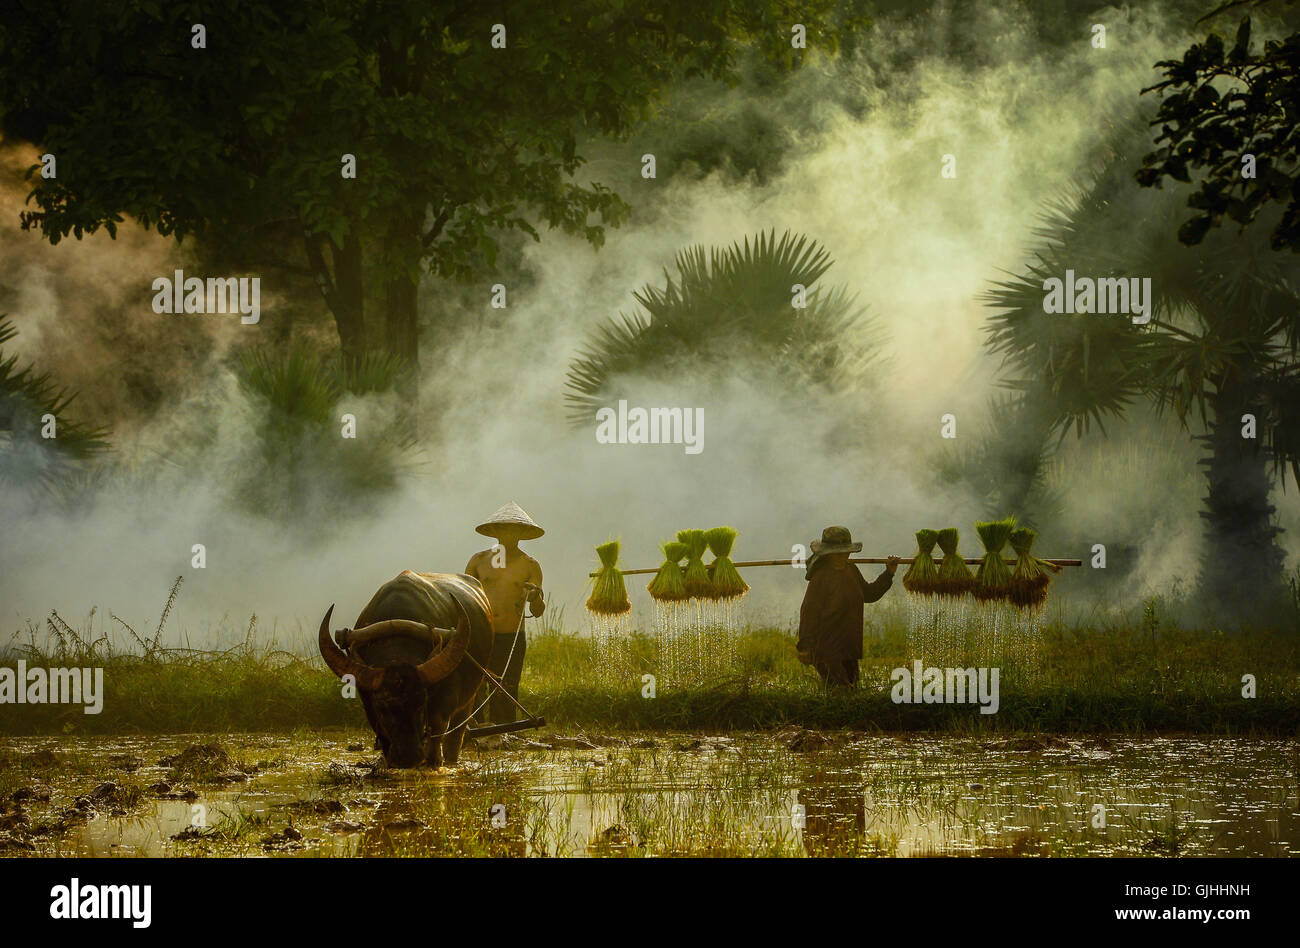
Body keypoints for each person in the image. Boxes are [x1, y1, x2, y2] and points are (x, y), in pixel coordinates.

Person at [464, 501, 545, 725]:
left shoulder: (530, 565)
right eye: (504, 528)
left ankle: (505, 733)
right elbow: (466, 598)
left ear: (522, 533)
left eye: (514, 529)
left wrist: (534, 595)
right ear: (496, 532)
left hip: (511, 634)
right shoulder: (478, 561)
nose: (509, 534)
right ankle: (472, 730)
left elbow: (537, 610)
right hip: (481, 634)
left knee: (507, 685)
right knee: (473, 684)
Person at [796, 525, 899, 688]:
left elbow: (869, 594)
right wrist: (805, 646)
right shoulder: (821, 577)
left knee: (852, 691)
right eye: (836, 552)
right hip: (827, 649)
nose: (840, 556)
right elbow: (809, 612)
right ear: (827, 553)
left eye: (844, 551)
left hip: (849, 647)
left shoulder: (852, 571)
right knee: (840, 692)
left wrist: (889, 573)